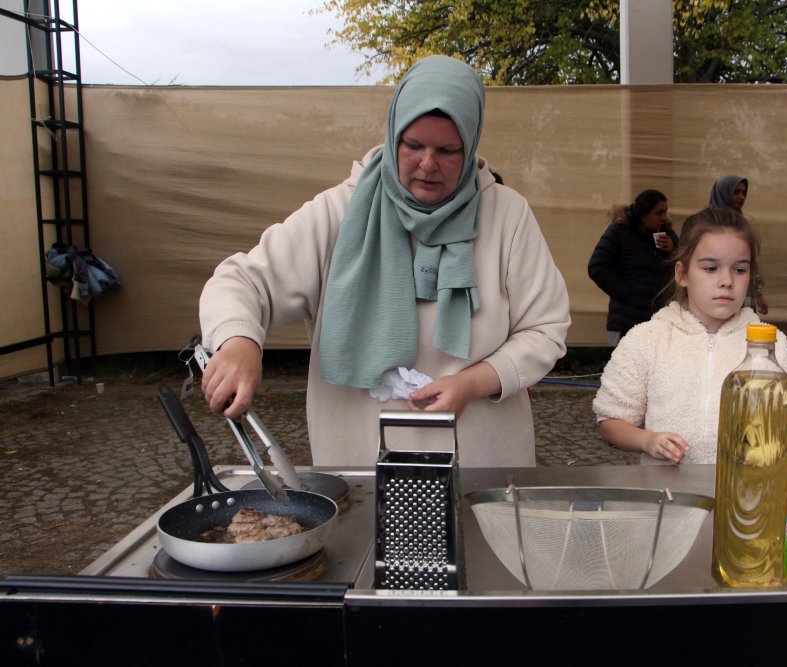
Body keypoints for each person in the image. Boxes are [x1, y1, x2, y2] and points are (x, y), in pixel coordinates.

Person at [198, 55, 571, 468]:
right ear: (393, 133)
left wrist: (473, 382)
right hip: (362, 464)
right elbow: (241, 282)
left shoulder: (507, 215)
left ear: (471, 145)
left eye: (448, 150)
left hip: (481, 463)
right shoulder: (339, 211)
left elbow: (546, 328)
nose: (428, 164)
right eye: (413, 145)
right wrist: (239, 342)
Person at [593, 207, 787, 464]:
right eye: (710, 268)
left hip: (746, 495)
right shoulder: (646, 339)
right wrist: (647, 440)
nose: (727, 280)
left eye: (740, 270)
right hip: (669, 496)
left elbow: (780, 422)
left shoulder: (771, 344)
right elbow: (610, 420)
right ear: (682, 274)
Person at [588, 189, 679, 346]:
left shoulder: (666, 235)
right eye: (659, 213)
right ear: (643, 215)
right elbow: (597, 266)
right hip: (626, 321)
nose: (664, 218)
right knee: (624, 368)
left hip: (658, 321)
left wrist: (674, 249)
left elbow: (681, 268)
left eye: (665, 212)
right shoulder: (619, 232)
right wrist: (626, 294)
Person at [708, 174, 768, 315]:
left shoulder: (742, 223)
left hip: (743, 291)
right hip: (719, 291)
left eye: (744, 193)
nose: (741, 197)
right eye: (736, 192)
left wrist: (758, 294)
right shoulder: (707, 223)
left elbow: (750, 261)